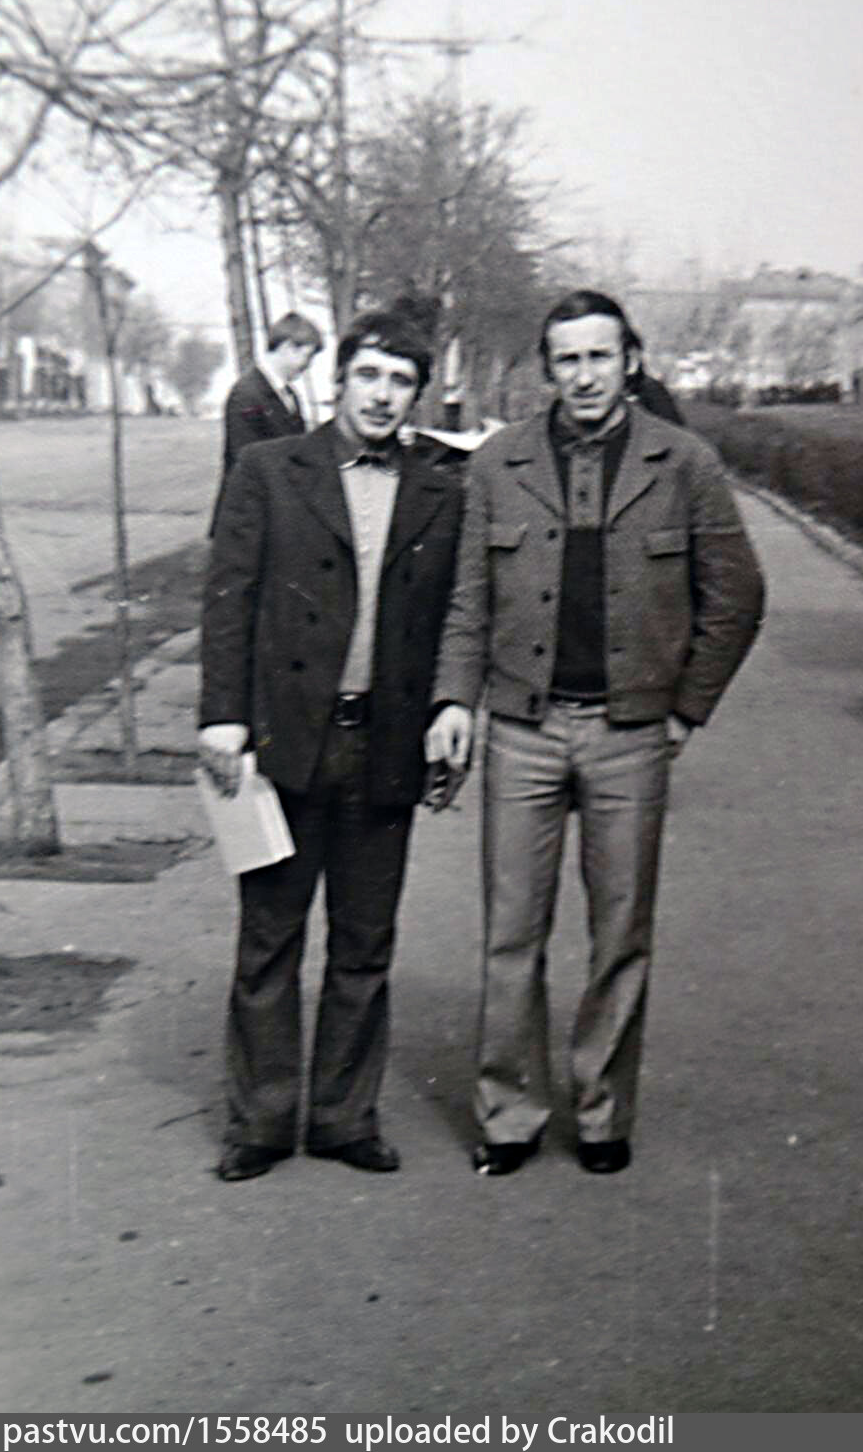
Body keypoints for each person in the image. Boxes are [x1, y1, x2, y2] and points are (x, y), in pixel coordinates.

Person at [426, 289, 765, 1177]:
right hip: (522, 729)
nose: (584, 375)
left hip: (629, 734)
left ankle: (603, 1113)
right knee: (511, 932)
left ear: (631, 361)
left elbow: (737, 595)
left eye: (600, 356)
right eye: (568, 359)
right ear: (548, 368)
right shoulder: (497, 462)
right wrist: (454, 700)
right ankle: (508, 1115)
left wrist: (685, 707)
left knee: (620, 933)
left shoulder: (684, 462)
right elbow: (467, 600)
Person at [199, 308, 464, 1181]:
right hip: (285, 740)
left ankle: (345, 1116)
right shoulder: (270, 470)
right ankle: (263, 1119)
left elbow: (454, 617)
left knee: (364, 941)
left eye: (401, 381)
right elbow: (228, 597)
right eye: (369, 376)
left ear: (416, 395)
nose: (383, 395)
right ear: (339, 378)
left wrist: (449, 710)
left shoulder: (441, 489)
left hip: (384, 741)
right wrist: (222, 716)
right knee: (270, 937)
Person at [209, 311, 324, 531]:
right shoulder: (247, 394)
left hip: (277, 514)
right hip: (247, 520)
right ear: (287, 347)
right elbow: (247, 463)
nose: (308, 365)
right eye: (308, 356)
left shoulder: (290, 395)